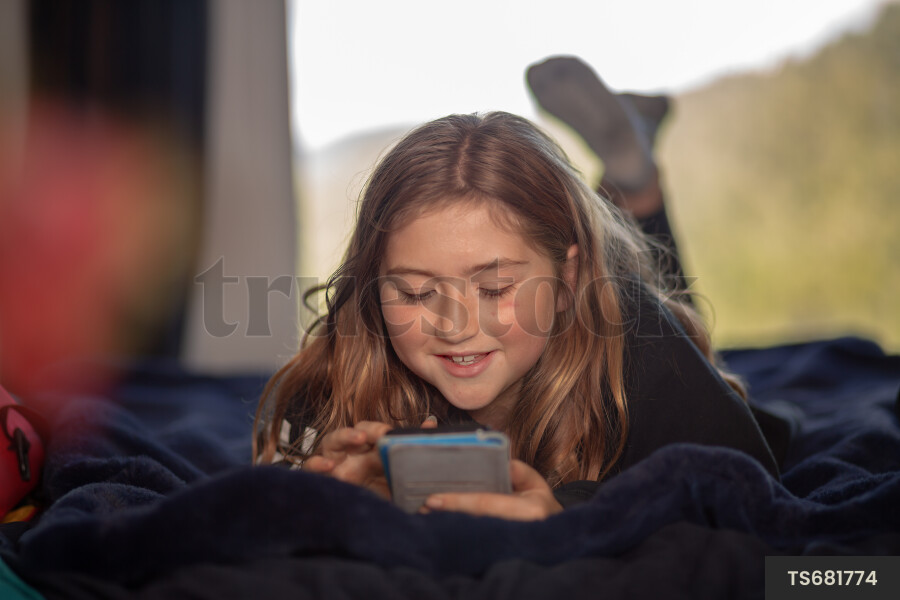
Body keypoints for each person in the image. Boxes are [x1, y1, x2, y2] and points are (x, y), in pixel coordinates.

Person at [253, 104, 782, 520]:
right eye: (414, 294)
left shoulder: (644, 349)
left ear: (565, 279)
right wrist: (318, 497)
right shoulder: (341, 368)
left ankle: (634, 179)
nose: (455, 327)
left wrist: (574, 514)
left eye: (496, 287)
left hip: (618, 311)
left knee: (657, 297)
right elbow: (265, 506)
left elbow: (756, 513)